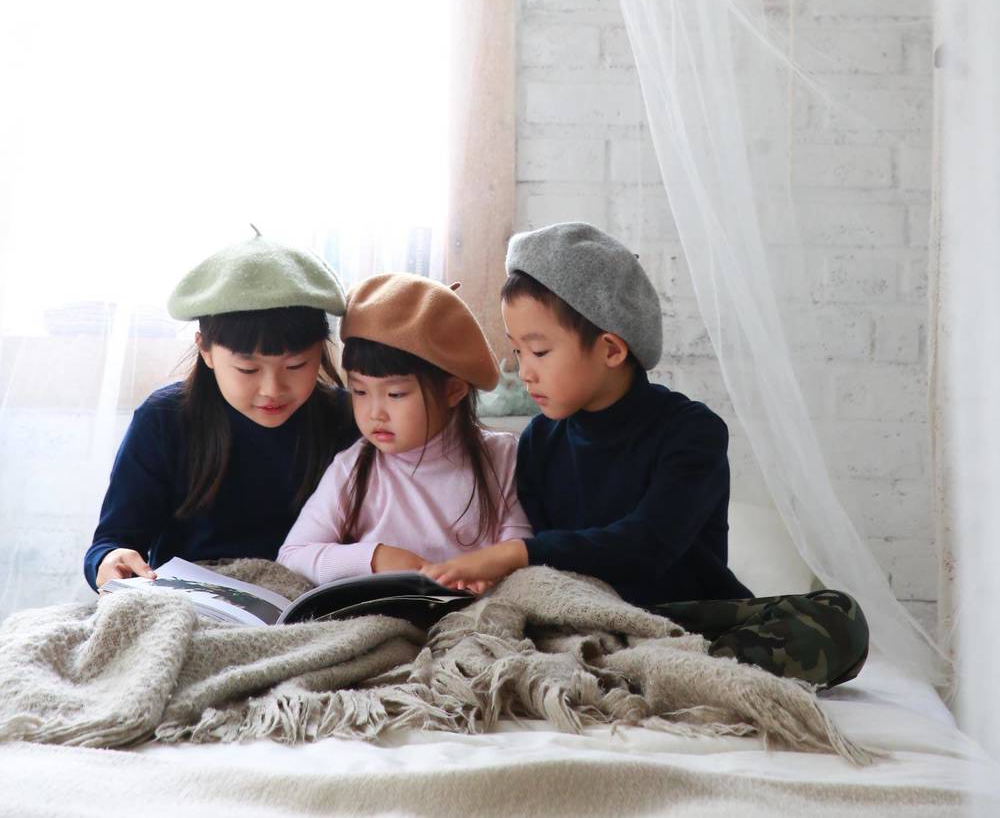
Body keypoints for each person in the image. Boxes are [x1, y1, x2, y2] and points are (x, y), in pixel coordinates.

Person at [424, 222, 870, 690]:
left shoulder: (692, 432)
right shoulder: (538, 441)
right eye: (517, 351)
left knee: (841, 617)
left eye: (539, 351)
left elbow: (647, 544)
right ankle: (647, 668)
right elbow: (548, 574)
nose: (524, 371)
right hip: (589, 619)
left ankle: (670, 666)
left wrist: (516, 553)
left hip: (686, 618)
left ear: (611, 350)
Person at [84, 231, 357, 591]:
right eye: (248, 369)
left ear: (321, 349)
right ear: (205, 349)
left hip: (308, 597)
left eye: (296, 366)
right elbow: (113, 540)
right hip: (191, 600)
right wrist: (111, 560)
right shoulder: (163, 420)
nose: (272, 389)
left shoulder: (347, 419)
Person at [278, 273, 531, 588]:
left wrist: (490, 573)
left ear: (453, 390)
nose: (375, 413)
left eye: (395, 394)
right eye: (360, 391)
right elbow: (292, 555)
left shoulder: (504, 457)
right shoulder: (351, 469)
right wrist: (375, 558)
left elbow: (521, 543)